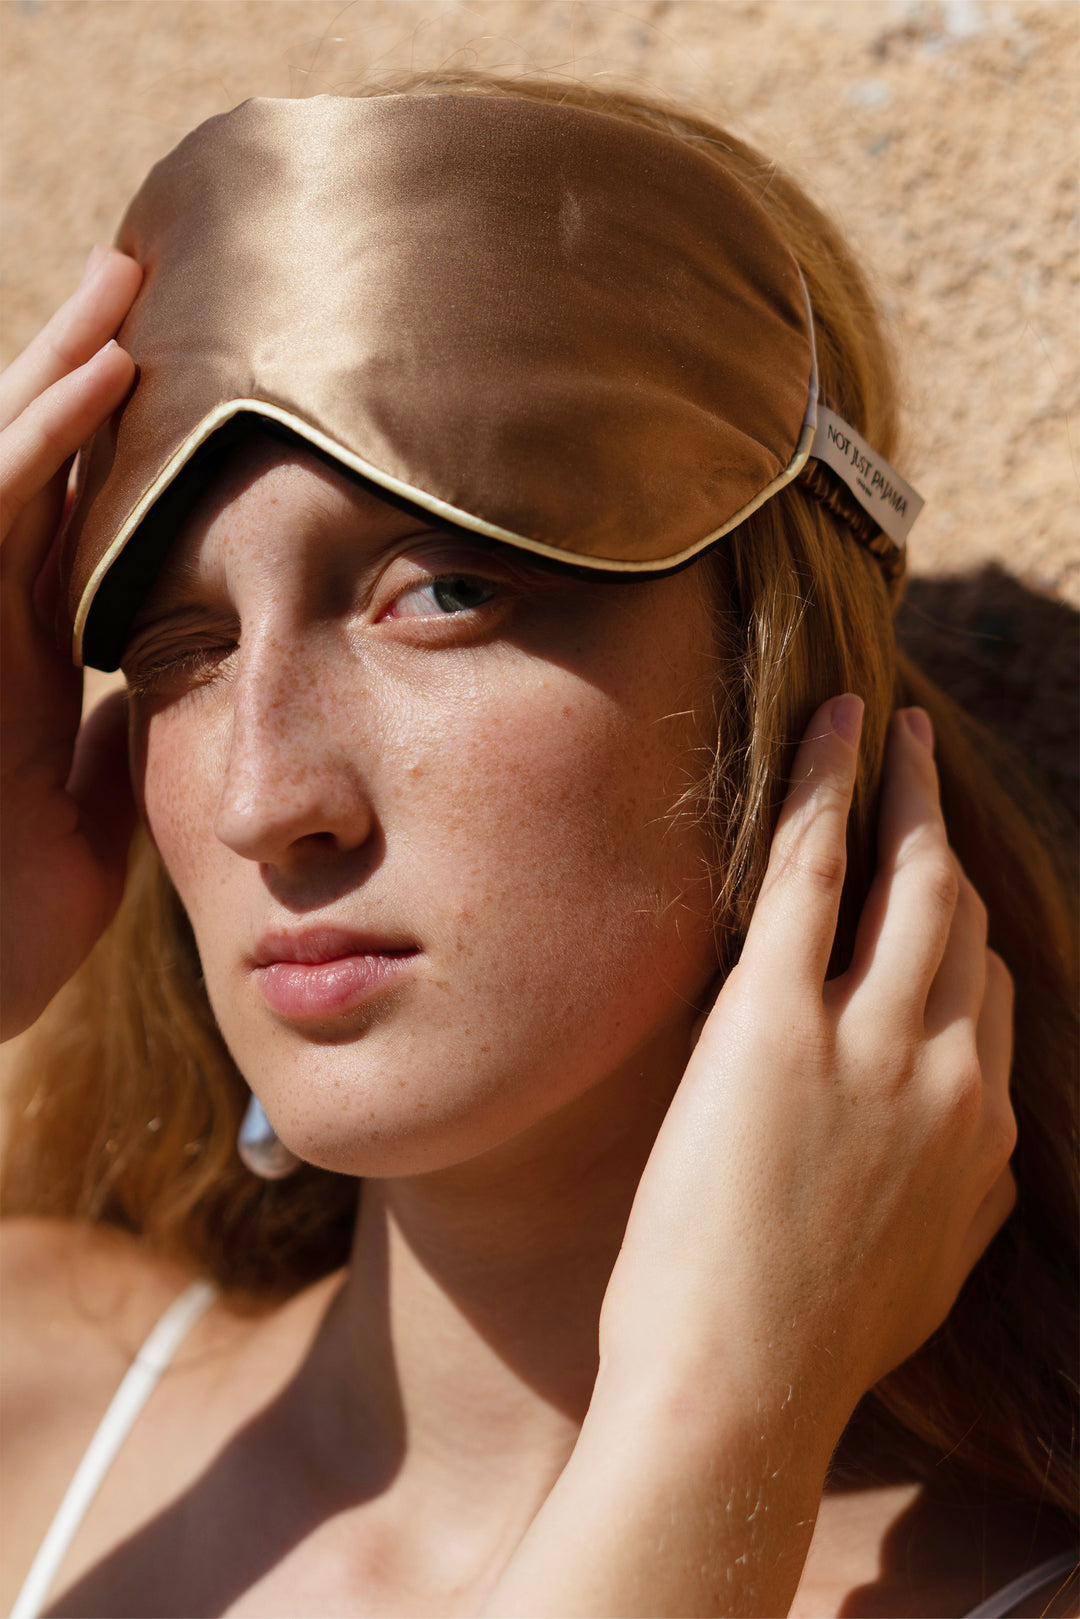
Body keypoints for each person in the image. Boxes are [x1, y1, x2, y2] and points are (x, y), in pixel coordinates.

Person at [1, 73, 1075, 1619]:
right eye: (181, 646)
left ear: (776, 668)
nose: (262, 797)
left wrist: (717, 1419)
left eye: (443, 592)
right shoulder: (31, 1391)